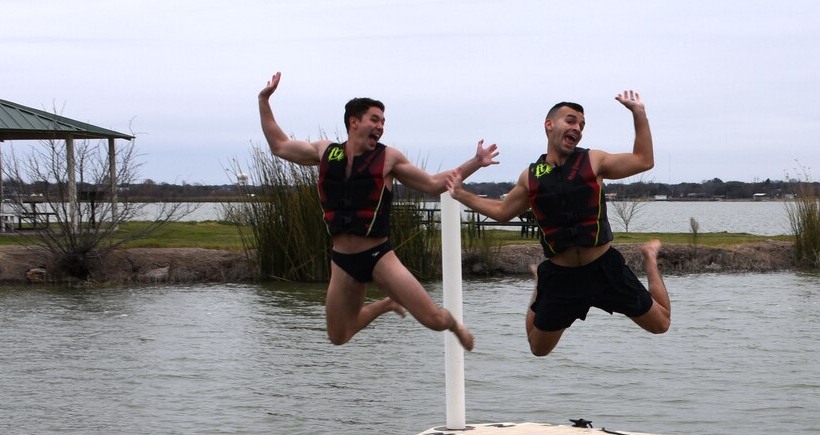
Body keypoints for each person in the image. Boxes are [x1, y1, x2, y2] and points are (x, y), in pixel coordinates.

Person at [258, 72, 498, 350]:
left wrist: (475, 162)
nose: (380, 126)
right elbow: (279, 145)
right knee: (338, 336)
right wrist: (264, 100)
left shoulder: (388, 158)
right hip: (342, 261)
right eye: (375, 119)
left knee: (434, 320)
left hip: (379, 257)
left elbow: (433, 184)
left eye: (383, 121)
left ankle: (455, 325)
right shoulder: (325, 152)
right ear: (354, 122)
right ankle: (386, 304)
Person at [448, 91, 671, 356]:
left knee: (661, 324)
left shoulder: (593, 160)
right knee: (538, 348)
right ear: (549, 124)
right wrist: (461, 194)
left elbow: (644, 160)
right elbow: (502, 211)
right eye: (571, 120)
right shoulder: (531, 176)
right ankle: (539, 284)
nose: (577, 128)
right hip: (560, 276)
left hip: (604, 268)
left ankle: (649, 258)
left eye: (582, 125)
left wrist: (638, 113)